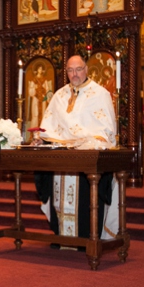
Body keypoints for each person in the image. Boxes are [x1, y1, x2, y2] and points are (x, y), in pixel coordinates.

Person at [32, 55, 118, 246]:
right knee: (58, 200)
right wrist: (42, 139)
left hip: (85, 161)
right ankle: (62, 236)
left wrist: (85, 141)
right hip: (62, 162)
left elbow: (106, 130)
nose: (74, 74)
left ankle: (85, 238)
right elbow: (48, 126)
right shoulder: (59, 95)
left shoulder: (100, 94)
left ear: (86, 69)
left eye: (78, 69)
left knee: (85, 201)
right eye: (70, 70)